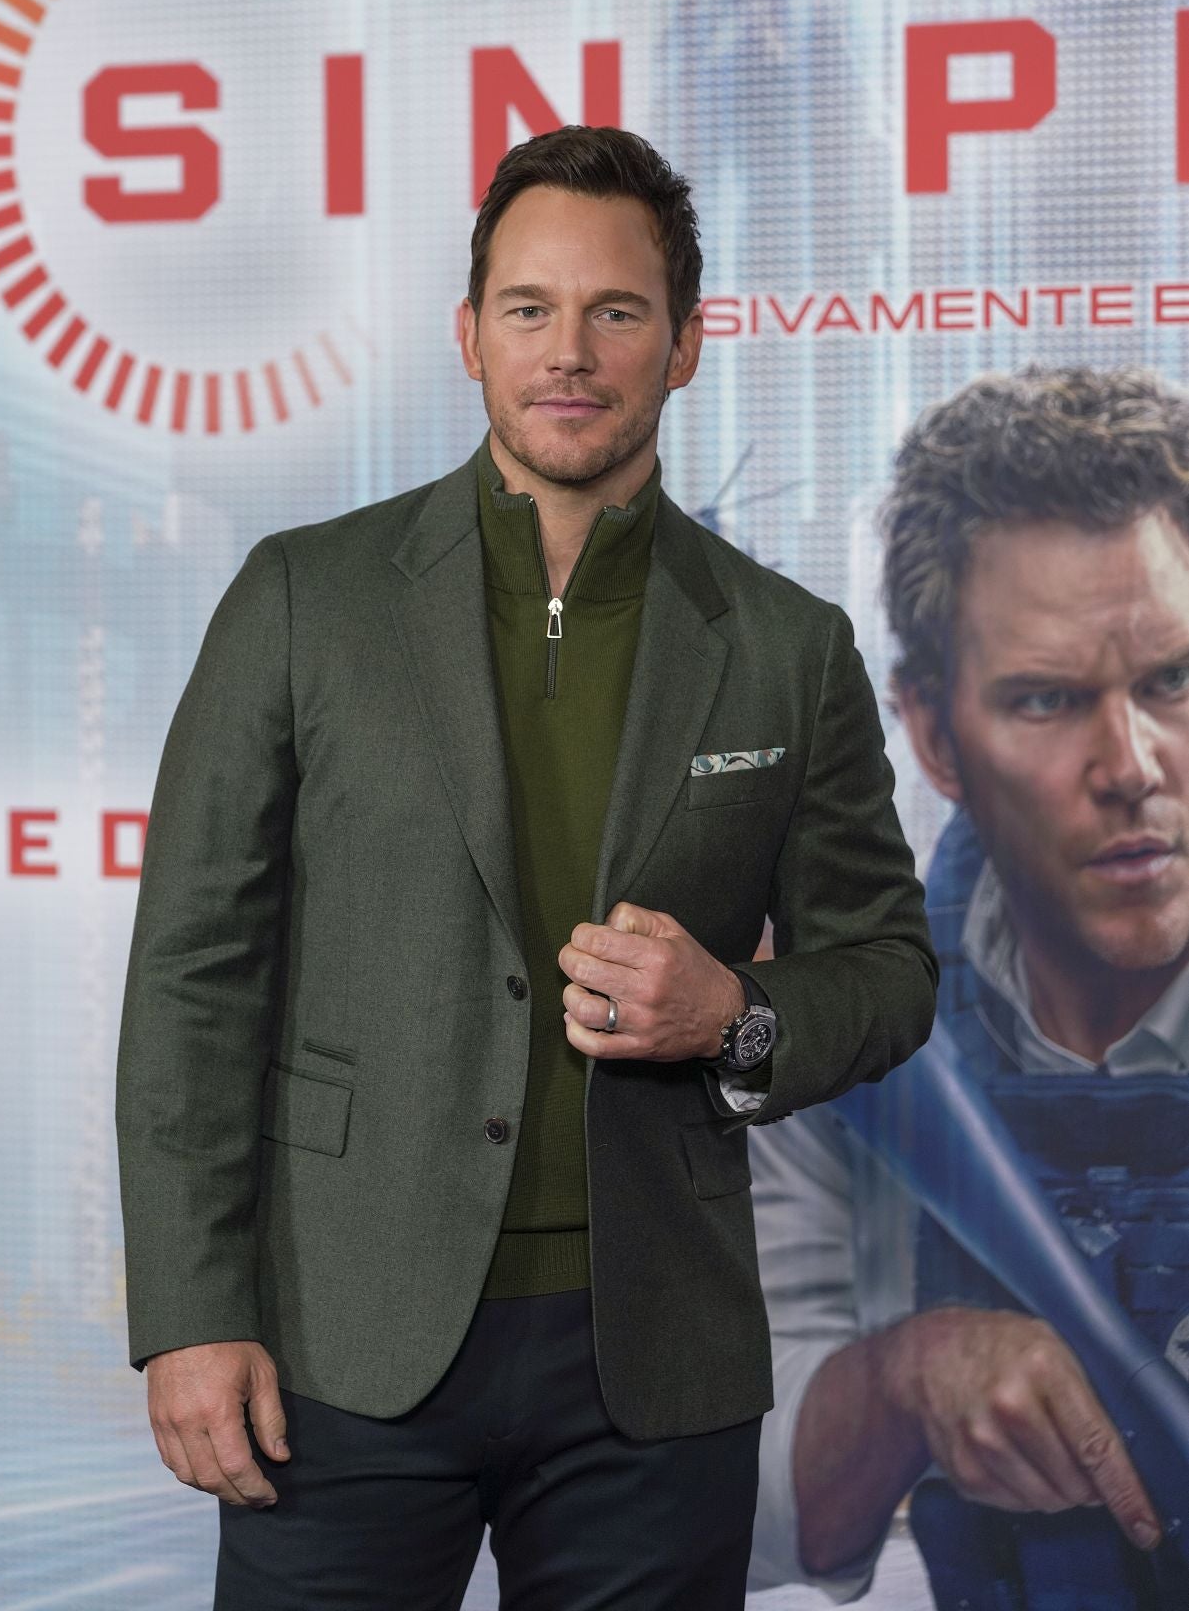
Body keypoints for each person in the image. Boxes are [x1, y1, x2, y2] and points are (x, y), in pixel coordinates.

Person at [115, 123, 937, 1611]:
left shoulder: (787, 646)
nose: (569, 352)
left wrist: (734, 1014)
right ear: (469, 336)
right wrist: (187, 1314)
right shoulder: (302, 599)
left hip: (656, 1362)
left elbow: (886, 971)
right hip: (339, 1343)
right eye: (529, 308)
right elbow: (192, 979)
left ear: (685, 345)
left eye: (616, 311)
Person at [749, 364, 1189, 1609]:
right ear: (935, 736)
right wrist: (907, 1382)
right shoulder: (841, 1019)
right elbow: (729, 1496)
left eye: (1174, 680)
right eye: (1048, 700)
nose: (1131, 766)